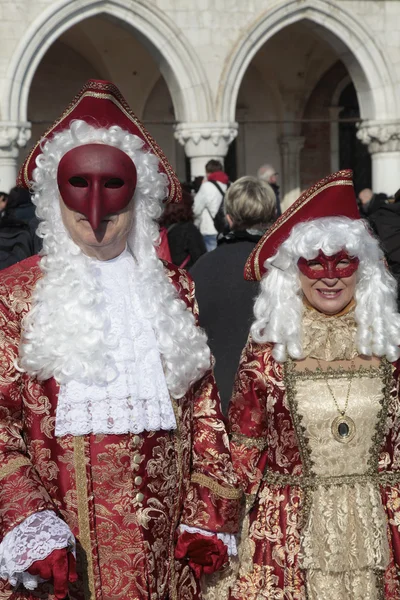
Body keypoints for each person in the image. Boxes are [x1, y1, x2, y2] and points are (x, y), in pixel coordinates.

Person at [0, 79, 241, 600]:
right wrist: (29, 524)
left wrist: (208, 515)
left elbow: (204, 411)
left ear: (140, 194)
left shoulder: (174, 290)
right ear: (52, 195)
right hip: (60, 557)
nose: (95, 211)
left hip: (165, 556)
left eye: (113, 188)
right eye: (77, 186)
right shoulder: (15, 296)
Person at [222, 169, 400, 599]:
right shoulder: (269, 349)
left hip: (383, 531)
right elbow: (244, 451)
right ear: (292, 271)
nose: (330, 276)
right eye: (314, 263)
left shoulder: (391, 343)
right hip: (286, 537)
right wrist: (217, 524)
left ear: (364, 267)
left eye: (343, 261)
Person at [190, 176, 276, 413]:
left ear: (228, 217)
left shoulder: (201, 267)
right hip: (274, 397)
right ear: (272, 216)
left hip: (217, 399)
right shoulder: (283, 268)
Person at [158, 187, 206, 269]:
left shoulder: (161, 227)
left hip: (165, 274)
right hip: (184, 276)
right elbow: (201, 258)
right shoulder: (189, 229)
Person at [193, 160, 229, 251]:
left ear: (207, 172)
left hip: (210, 229)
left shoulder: (206, 186)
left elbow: (196, 210)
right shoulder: (230, 185)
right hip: (228, 229)